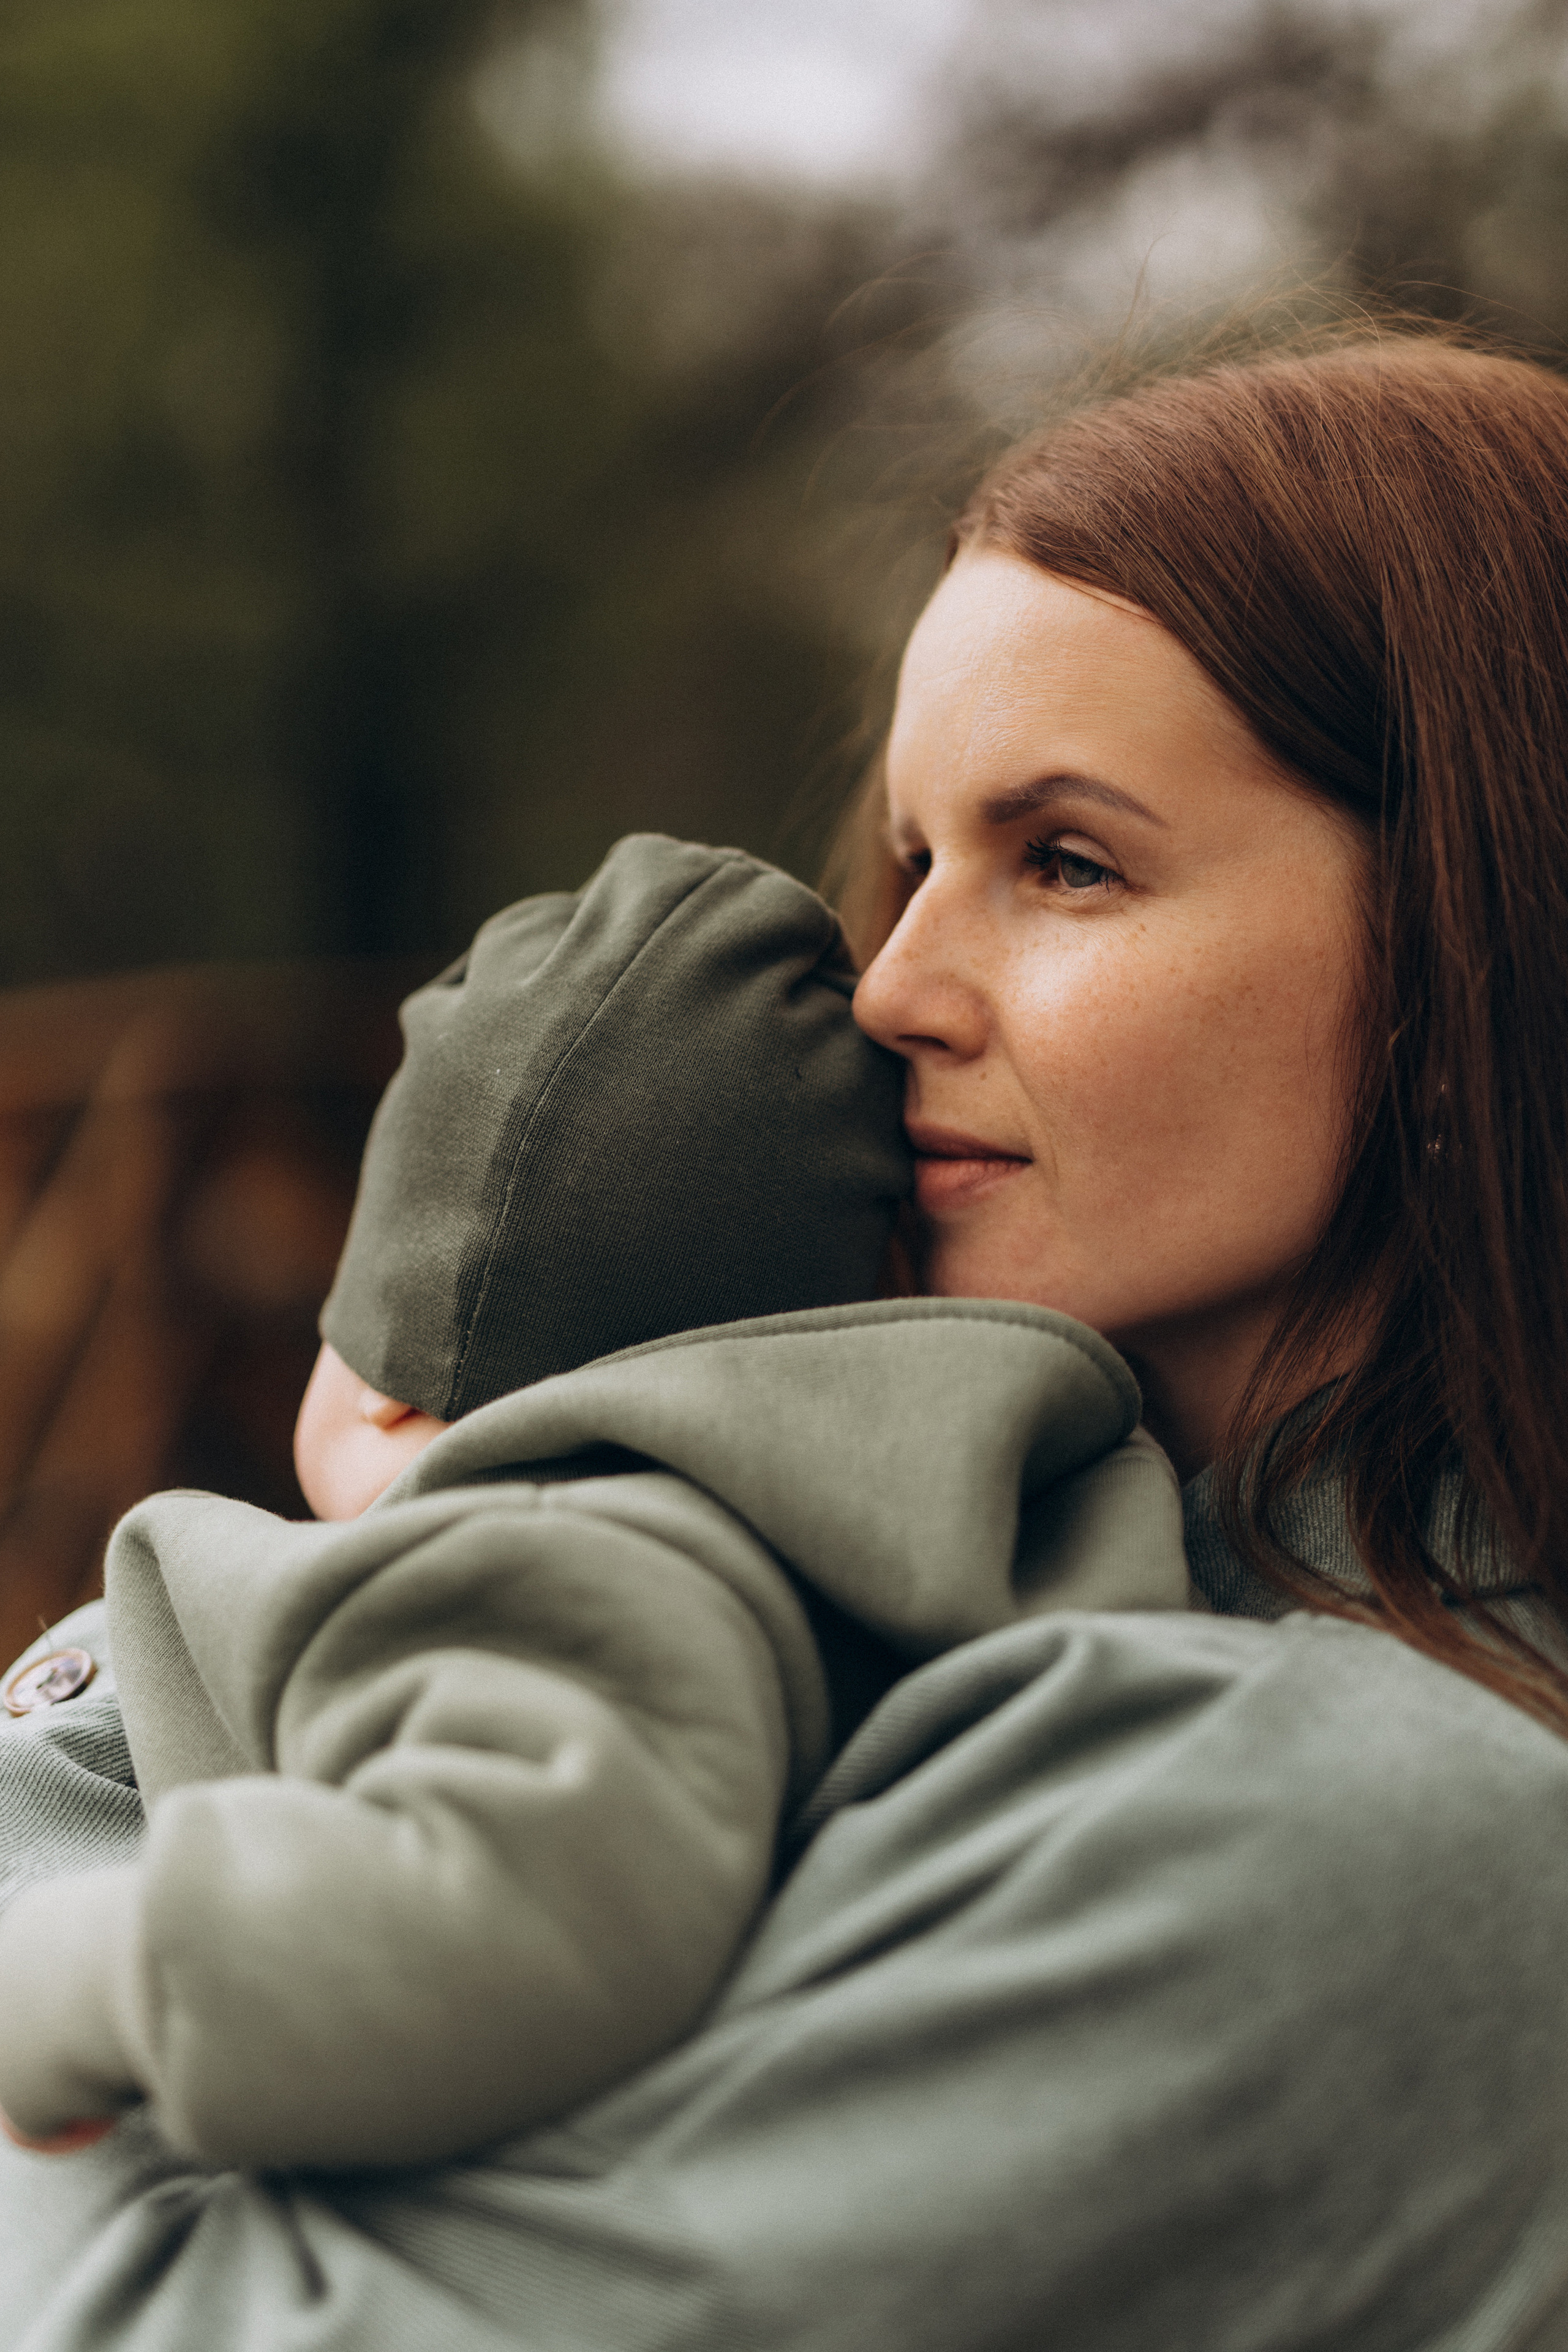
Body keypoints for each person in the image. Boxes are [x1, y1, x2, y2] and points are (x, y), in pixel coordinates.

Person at [2, 325, 1568, 2352]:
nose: (892, 984)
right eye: (915, 862)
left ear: (1476, 949)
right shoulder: (1028, 1626)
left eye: (1068, 862)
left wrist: (401, 1587)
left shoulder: (1378, 1842)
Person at [0, 832, 1186, 2171]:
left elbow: (480, 1921)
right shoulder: (832, 1553)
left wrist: (69, 1979)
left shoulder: (561, 1571)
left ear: (384, 1391)